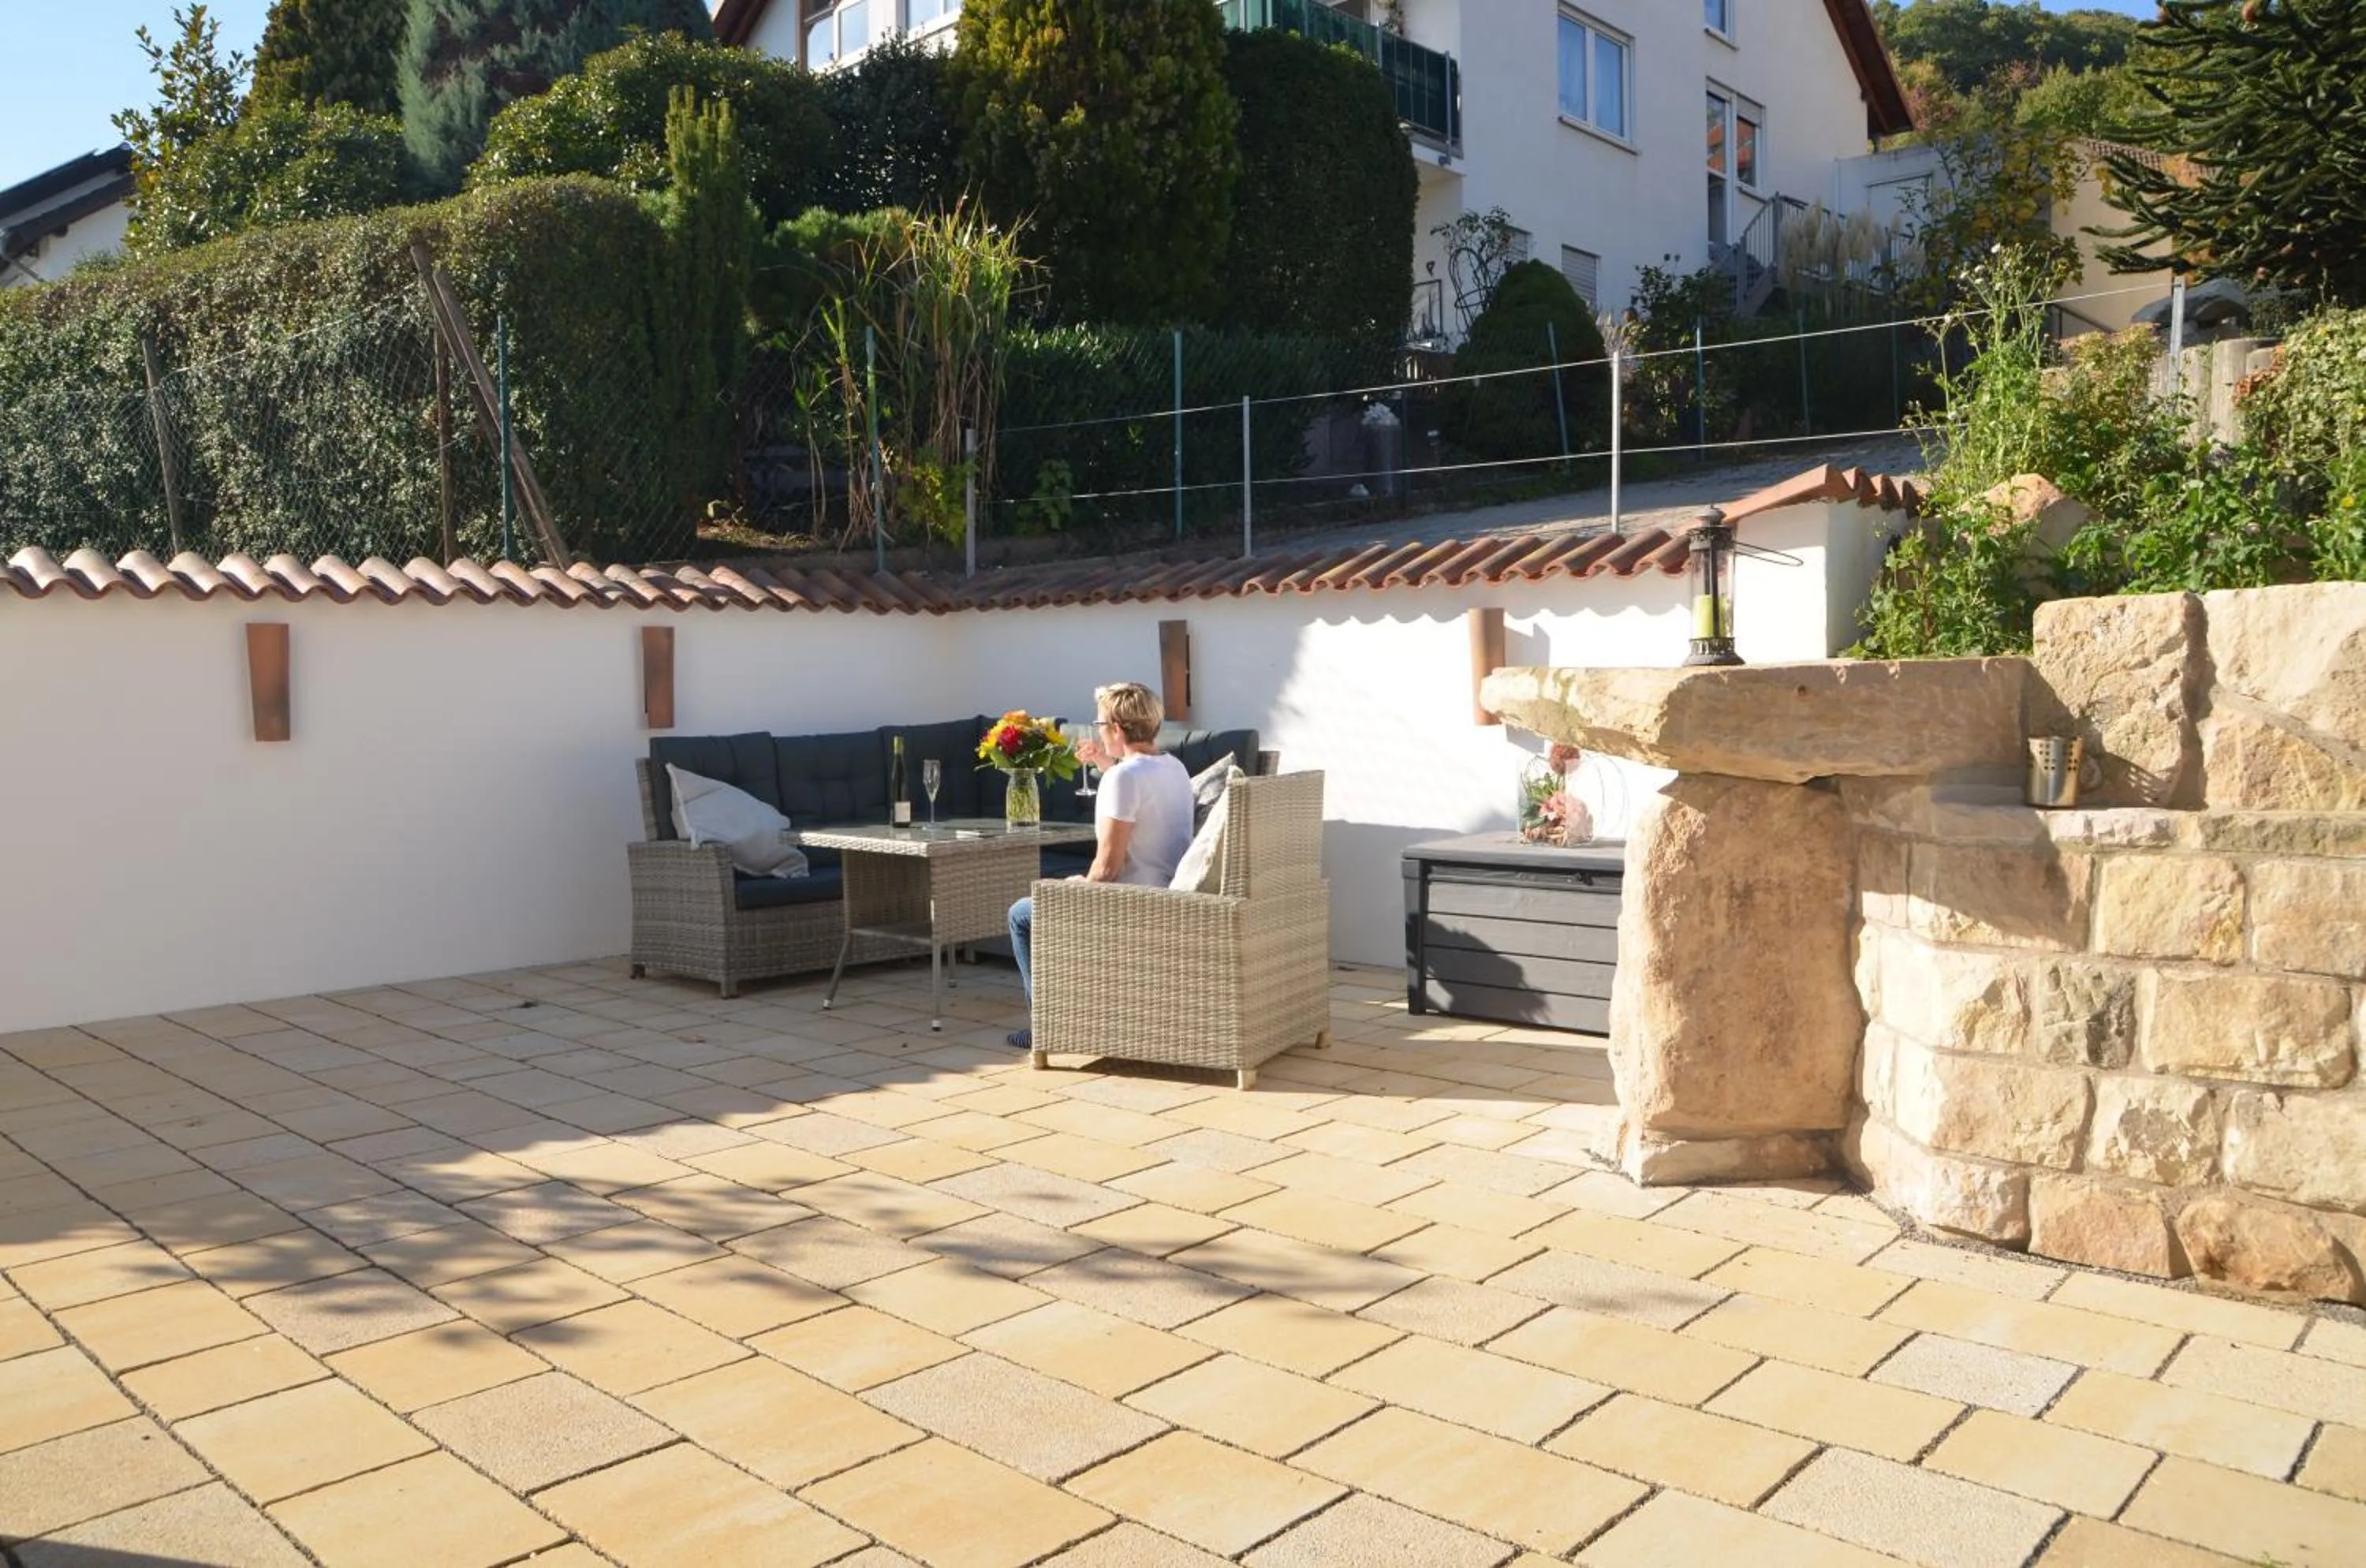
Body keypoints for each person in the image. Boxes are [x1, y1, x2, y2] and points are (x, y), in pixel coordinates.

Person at [1006, 681, 1195, 1050]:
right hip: (1168, 896)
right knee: (1053, 895)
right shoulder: (1174, 766)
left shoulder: (1123, 779)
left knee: (1022, 914)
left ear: (1117, 729)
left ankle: (1046, 1027)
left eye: (1100, 725)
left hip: (1130, 904)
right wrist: (1104, 764)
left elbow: (1108, 869)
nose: (1098, 732)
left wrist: (1081, 884)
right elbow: (1140, 790)